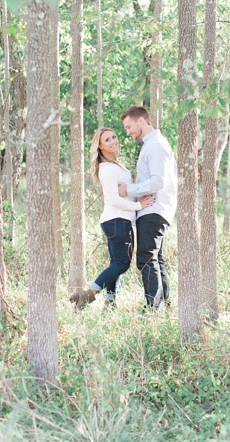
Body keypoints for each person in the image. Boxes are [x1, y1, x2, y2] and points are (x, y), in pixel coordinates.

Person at [69, 127, 154, 309]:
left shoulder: (115, 164)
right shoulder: (107, 168)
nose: (113, 141)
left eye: (114, 137)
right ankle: (88, 294)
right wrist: (139, 205)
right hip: (117, 221)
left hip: (117, 221)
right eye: (107, 140)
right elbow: (113, 199)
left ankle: (110, 301)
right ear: (99, 147)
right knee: (122, 264)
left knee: (116, 263)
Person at [117, 106, 178, 309]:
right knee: (154, 258)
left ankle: (153, 308)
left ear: (141, 121)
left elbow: (158, 182)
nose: (128, 132)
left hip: (154, 209)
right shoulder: (152, 144)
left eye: (129, 127)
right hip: (154, 209)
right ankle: (163, 305)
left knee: (145, 257)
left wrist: (129, 190)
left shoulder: (156, 146)